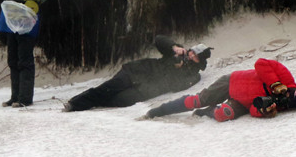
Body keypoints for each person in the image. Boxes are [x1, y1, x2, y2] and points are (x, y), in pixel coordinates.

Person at [64, 35, 212, 112]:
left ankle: (87, 104)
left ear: (200, 61)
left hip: (144, 90)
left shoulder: (194, 75)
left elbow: (177, 86)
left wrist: (177, 69)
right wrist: (173, 47)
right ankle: (74, 104)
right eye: (193, 52)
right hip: (136, 72)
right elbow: (159, 39)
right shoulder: (177, 51)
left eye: (196, 57)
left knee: (117, 101)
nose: (192, 56)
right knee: (107, 89)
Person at [145, 58, 296, 121]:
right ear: (293, 90)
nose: (286, 97)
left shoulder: (281, 104)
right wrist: (275, 84)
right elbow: (260, 63)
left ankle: (206, 112)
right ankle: (158, 111)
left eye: (289, 101)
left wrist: (264, 111)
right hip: (232, 82)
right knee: (196, 100)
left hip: (242, 102)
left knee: (224, 114)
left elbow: (252, 109)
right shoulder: (285, 77)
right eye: (289, 94)